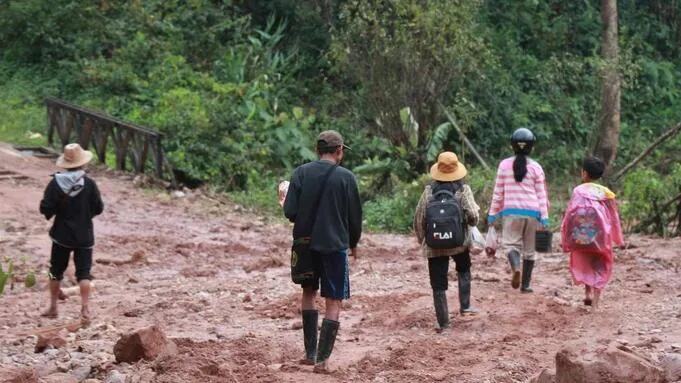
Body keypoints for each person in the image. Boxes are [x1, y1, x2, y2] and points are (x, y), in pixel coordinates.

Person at [283, 130, 362, 373]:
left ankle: (310, 353)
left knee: (308, 291)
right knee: (333, 299)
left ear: (317, 151)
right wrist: (354, 243)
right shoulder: (346, 178)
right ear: (339, 151)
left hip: (304, 244)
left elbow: (291, 213)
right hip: (334, 245)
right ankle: (322, 361)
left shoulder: (301, 173)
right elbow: (354, 217)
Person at [414, 152, 480, 332]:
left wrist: (423, 240)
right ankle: (465, 306)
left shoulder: (428, 192)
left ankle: (443, 323)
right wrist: (470, 227)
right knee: (464, 269)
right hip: (459, 243)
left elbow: (419, 219)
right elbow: (473, 216)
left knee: (438, 283)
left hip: (435, 245)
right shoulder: (463, 189)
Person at [39, 143, 104, 323]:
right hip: (84, 236)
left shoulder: (55, 182)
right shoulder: (90, 184)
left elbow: (45, 207)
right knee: (84, 274)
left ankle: (53, 306)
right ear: (83, 162)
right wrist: (85, 216)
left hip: (61, 236)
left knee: (55, 271)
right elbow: (99, 208)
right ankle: (85, 309)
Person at [488, 128, 549, 293]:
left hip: (512, 212)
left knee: (510, 245)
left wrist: (492, 214)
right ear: (532, 147)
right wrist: (545, 217)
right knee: (530, 251)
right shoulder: (536, 167)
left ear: (512, 145)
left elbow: (498, 193)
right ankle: (526, 285)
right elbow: (541, 195)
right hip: (533, 213)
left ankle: (516, 268)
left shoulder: (504, 165)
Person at [561, 156, 624, 308]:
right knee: (600, 263)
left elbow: (570, 213)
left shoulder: (578, 191)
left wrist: (565, 237)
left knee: (584, 260)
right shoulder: (607, 193)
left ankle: (587, 292)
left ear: (584, 173)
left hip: (580, 235)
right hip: (601, 236)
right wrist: (617, 238)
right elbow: (613, 217)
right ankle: (595, 301)